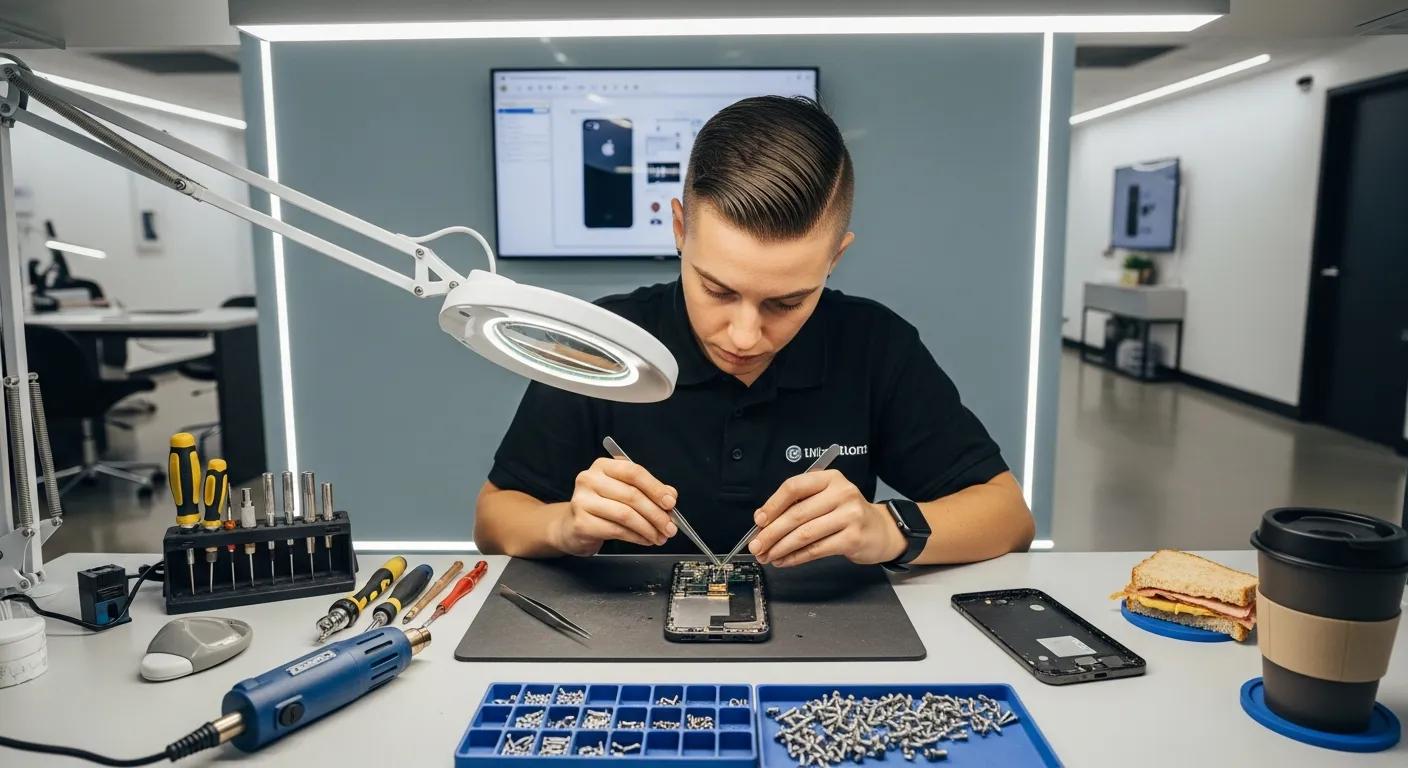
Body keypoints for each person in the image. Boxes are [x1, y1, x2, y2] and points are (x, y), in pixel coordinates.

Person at [476, 96, 1034, 569]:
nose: (744, 337)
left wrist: (885, 529)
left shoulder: (874, 346)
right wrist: (567, 526)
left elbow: (1008, 516)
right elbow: (494, 518)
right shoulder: (607, 340)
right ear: (678, 229)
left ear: (836, 257)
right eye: (717, 291)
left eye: (786, 302)